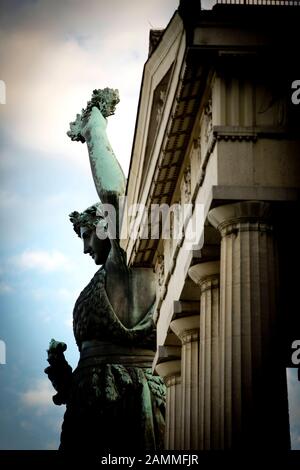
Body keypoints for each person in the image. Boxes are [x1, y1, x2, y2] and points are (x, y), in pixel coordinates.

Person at [44, 89, 165, 453]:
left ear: (104, 226)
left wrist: (95, 127)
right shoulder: (109, 277)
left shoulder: (127, 266)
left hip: (127, 404)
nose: (84, 249)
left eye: (86, 236)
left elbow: (117, 195)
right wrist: (67, 377)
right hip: (89, 407)